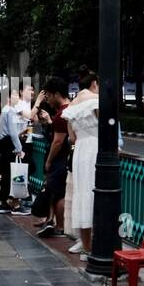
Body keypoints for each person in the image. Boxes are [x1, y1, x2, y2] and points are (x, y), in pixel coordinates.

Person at [63, 75, 100, 259]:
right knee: (98, 195)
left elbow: (72, 138)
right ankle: (99, 246)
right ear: (94, 83)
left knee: (82, 196)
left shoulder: (72, 106)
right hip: (95, 149)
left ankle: (86, 248)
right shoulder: (97, 101)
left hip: (79, 152)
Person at [34, 78, 72, 238]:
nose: (47, 100)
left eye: (48, 96)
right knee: (54, 190)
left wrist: (49, 161)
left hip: (61, 159)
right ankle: (52, 221)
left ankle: (60, 226)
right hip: (67, 157)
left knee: (58, 192)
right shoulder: (67, 110)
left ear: (57, 94)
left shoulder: (62, 114)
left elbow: (58, 141)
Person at [0, 84, 36, 214]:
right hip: (10, 144)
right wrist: (19, 148)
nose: (17, 97)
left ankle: (5, 202)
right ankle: (15, 203)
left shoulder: (6, 110)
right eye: (14, 95)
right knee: (16, 172)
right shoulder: (10, 110)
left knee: (8, 173)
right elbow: (12, 132)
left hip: (5, 143)